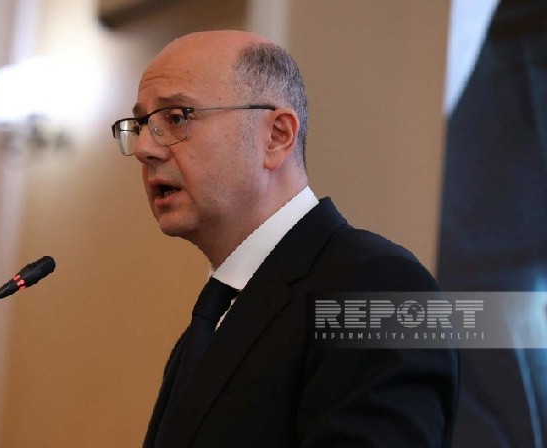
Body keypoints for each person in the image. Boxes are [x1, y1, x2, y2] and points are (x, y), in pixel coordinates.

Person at [111, 30, 459, 448]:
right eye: (142, 125)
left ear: (276, 136)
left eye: (176, 118)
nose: (145, 148)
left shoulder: (380, 289)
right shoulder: (205, 331)